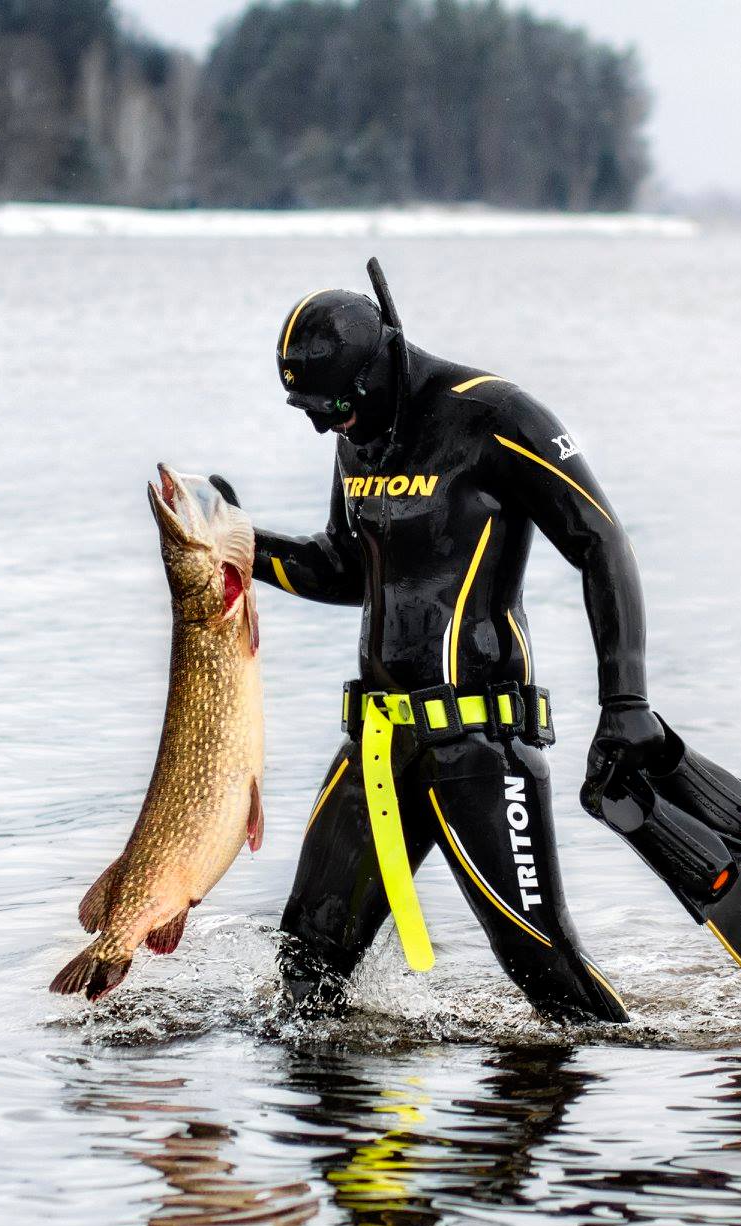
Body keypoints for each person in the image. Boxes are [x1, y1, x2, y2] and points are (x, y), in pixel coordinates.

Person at [215, 259, 671, 1024]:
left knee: (543, 970)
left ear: (384, 358)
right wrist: (235, 545)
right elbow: (344, 568)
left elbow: (600, 541)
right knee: (305, 964)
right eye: (311, 413)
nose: (329, 426)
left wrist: (625, 702)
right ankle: (331, 1133)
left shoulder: (494, 414)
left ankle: (587, 1114)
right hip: (378, 743)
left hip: (480, 746)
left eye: (338, 407)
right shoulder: (357, 432)